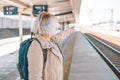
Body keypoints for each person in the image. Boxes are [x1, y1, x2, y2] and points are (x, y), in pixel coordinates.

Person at [27, 12, 75, 80]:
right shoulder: (36, 47)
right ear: (48, 26)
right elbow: (35, 77)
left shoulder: (51, 39)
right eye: (54, 25)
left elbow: (62, 35)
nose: (55, 27)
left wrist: (71, 30)